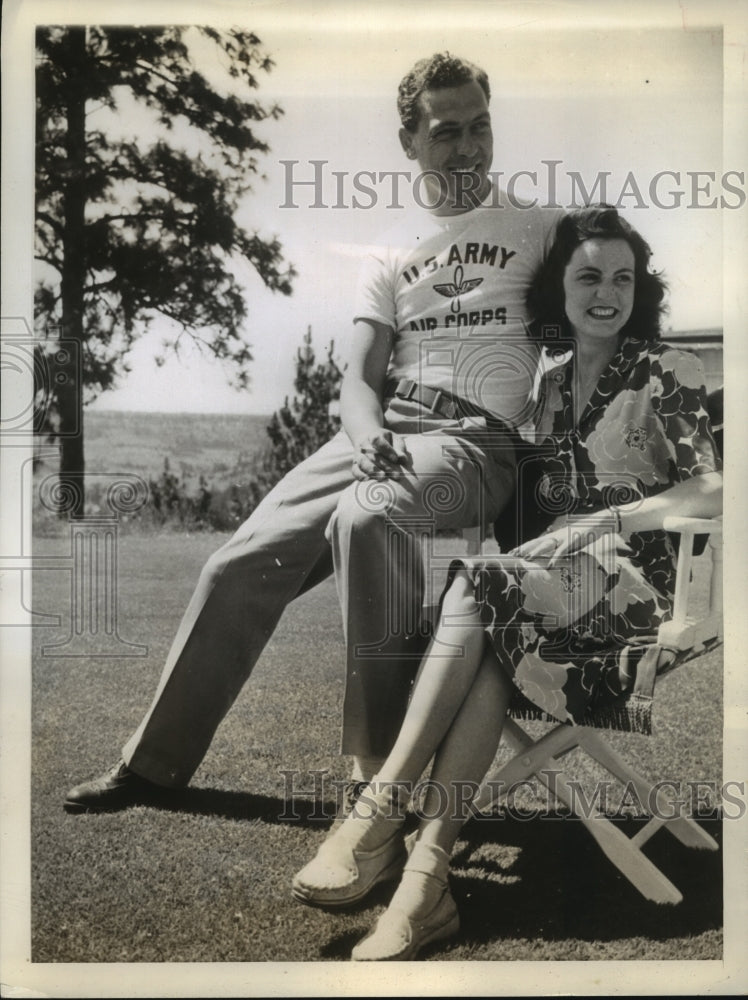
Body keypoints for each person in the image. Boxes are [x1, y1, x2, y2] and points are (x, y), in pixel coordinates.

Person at [64, 53, 561, 812]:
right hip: (386, 426)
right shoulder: (391, 248)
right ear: (409, 143)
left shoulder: (540, 227)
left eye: (481, 127)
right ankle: (153, 764)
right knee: (235, 566)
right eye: (447, 131)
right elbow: (358, 380)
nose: (468, 148)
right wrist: (365, 438)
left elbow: (615, 301)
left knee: (370, 516)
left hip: (475, 438)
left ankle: (378, 781)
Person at [291, 205, 723, 961]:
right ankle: (425, 887)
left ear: (637, 289)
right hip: (548, 592)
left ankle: (381, 809)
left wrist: (611, 524)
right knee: (491, 616)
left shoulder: (666, 370)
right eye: (588, 275)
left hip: (635, 601)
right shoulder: (545, 390)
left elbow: (715, 492)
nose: (606, 292)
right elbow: (519, 510)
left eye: (622, 277)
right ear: (557, 288)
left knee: (487, 595)